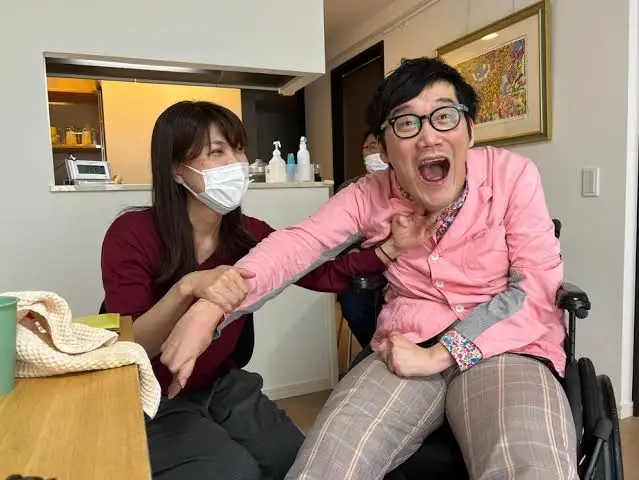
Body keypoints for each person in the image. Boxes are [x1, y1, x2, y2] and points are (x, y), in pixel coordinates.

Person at [161, 57, 577, 479]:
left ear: (469, 129)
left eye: (444, 116)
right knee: (328, 462)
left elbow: (537, 287)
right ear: (384, 148)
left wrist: (441, 354)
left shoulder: (511, 175)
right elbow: (297, 244)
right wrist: (213, 305)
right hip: (405, 343)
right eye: (406, 123)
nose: (428, 136)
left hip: (507, 346)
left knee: (532, 465)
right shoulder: (368, 194)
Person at [100, 100, 412, 480]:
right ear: (177, 170)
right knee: (234, 471)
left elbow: (321, 273)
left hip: (222, 383)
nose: (236, 164)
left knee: (298, 461)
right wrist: (186, 288)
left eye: (238, 149)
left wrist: (386, 251)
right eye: (217, 152)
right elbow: (129, 344)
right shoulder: (132, 234)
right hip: (154, 396)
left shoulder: (250, 234)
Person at [336, 130, 389, 350]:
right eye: (367, 148)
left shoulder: (407, 186)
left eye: (376, 146)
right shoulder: (349, 190)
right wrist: (351, 252)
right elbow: (337, 238)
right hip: (362, 271)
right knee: (354, 307)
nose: (372, 153)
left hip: (399, 271)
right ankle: (374, 349)